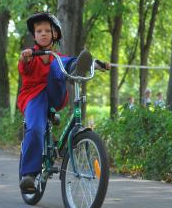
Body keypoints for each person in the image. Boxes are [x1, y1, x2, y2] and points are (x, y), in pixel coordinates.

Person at [17, 12, 109, 193]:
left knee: (59, 62)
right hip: (34, 97)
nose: (42, 34)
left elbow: (61, 64)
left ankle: (79, 65)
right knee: (35, 129)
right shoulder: (31, 56)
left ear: (55, 34)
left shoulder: (56, 57)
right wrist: (25, 57)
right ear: (34, 36)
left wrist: (96, 64)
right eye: (38, 31)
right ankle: (28, 174)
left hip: (54, 94)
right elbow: (23, 66)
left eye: (46, 30)